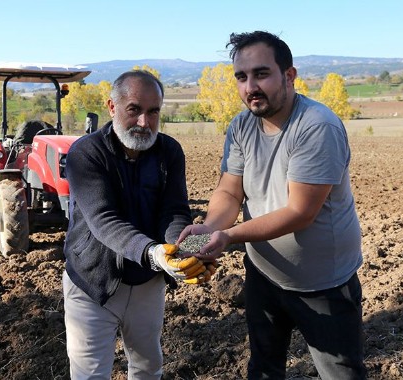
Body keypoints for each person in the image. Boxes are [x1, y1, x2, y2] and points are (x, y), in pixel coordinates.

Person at [178, 31, 366, 379]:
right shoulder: (241, 126)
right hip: (264, 275)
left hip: (322, 283)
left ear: (289, 75)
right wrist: (209, 228)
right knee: (264, 369)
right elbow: (230, 193)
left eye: (261, 74)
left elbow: (300, 212)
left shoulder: (316, 126)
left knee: (342, 374)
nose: (250, 86)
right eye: (241, 77)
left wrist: (228, 237)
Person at [62, 70, 209, 379]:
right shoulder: (86, 153)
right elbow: (103, 220)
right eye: (135, 110)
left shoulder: (169, 152)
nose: (144, 121)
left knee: (147, 367)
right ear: (112, 107)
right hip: (93, 282)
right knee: (90, 375)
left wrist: (186, 251)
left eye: (153, 111)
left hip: (147, 282)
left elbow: (174, 212)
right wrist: (154, 253)